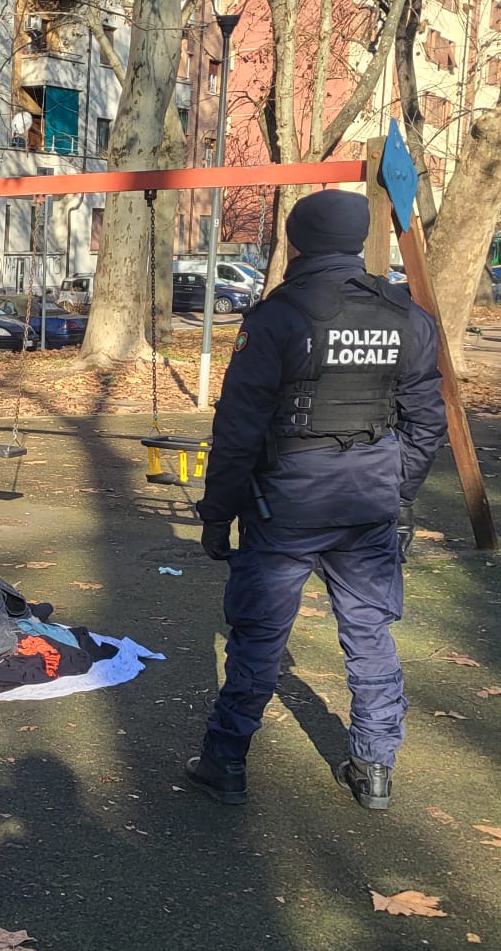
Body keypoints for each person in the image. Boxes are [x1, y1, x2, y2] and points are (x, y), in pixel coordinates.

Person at [183, 189, 446, 812]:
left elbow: (239, 428)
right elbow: (425, 422)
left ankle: (225, 764)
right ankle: (376, 769)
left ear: (297, 242)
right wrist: (393, 487)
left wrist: (218, 514)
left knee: (257, 638)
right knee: (371, 633)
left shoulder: (278, 317)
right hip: (367, 502)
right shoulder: (406, 315)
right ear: (357, 241)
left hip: (288, 504)